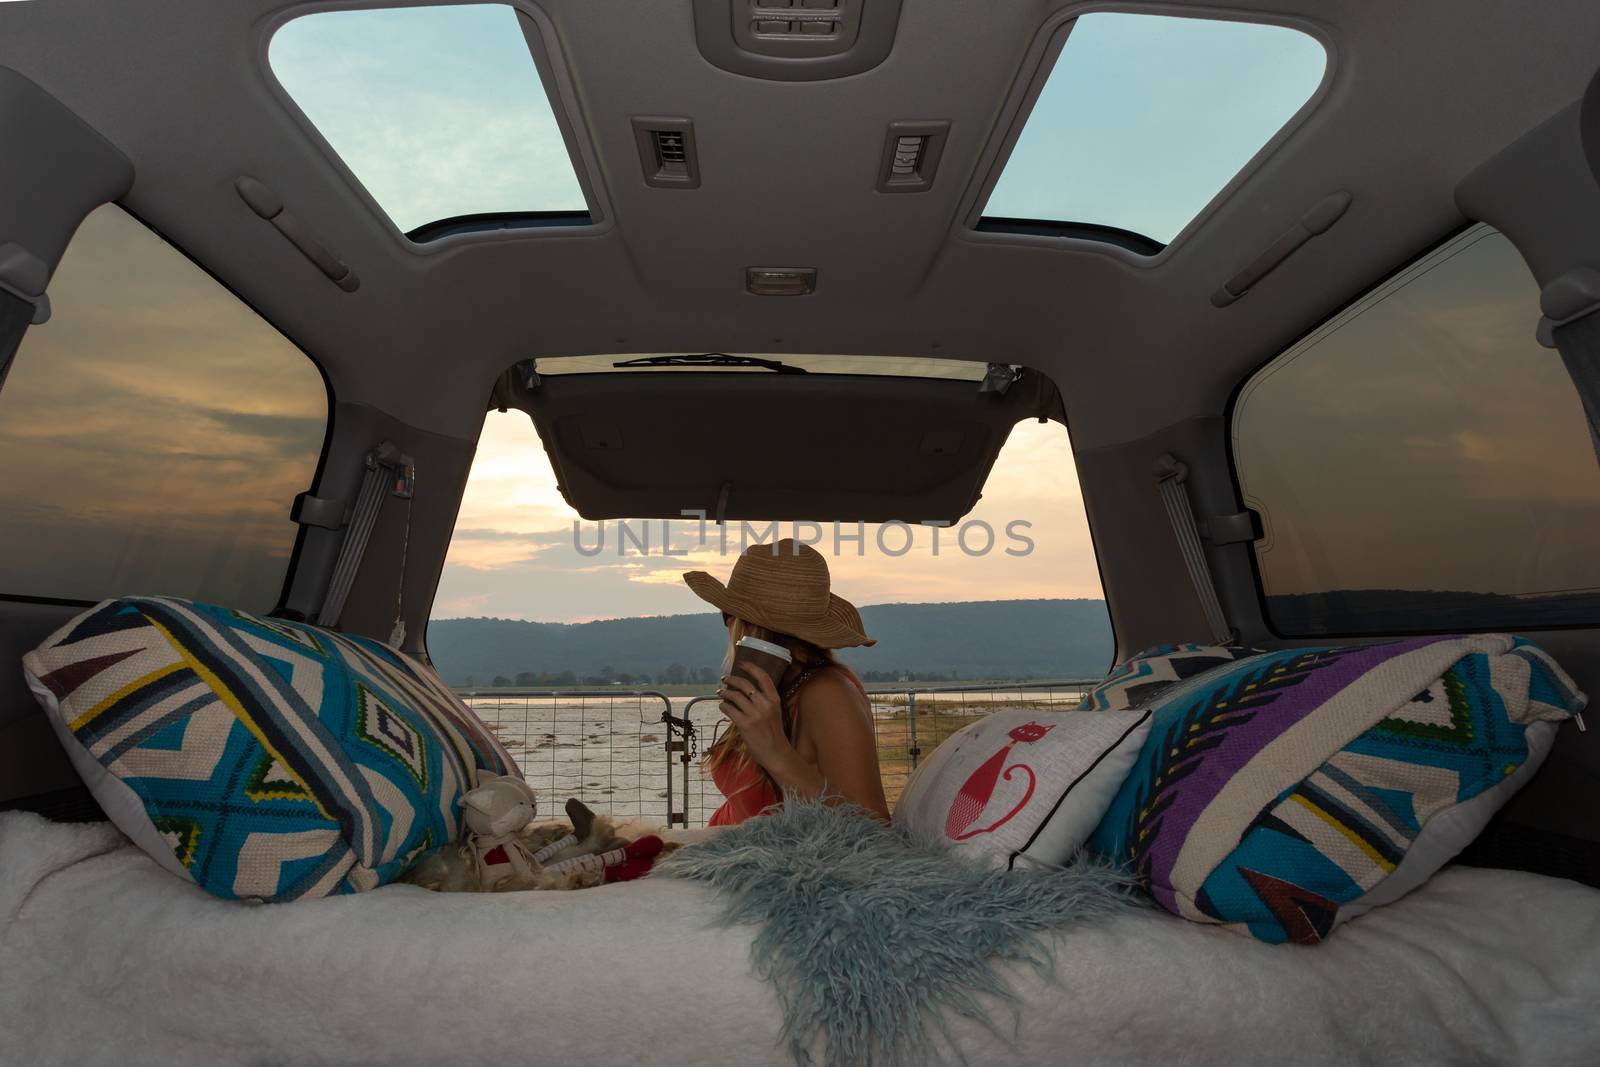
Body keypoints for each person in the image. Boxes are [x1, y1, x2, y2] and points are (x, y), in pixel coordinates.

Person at [682, 539, 890, 825]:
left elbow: (872, 827)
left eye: (726, 613)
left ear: (736, 621)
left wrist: (776, 753)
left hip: (773, 864)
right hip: (733, 852)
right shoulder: (782, 687)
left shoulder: (828, 694)